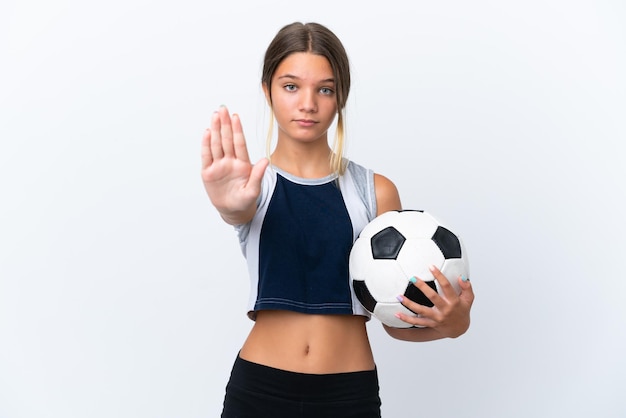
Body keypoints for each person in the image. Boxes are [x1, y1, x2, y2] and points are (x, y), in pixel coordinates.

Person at [201, 21, 474, 418]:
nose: (307, 103)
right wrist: (228, 206)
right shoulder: (250, 186)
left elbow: (395, 318)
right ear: (268, 91)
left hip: (348, 395)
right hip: (259, 390)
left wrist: (454, 324)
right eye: (291, 86)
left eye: (324, 89)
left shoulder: (374, 191)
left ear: (340, 96)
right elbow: (237, 210)